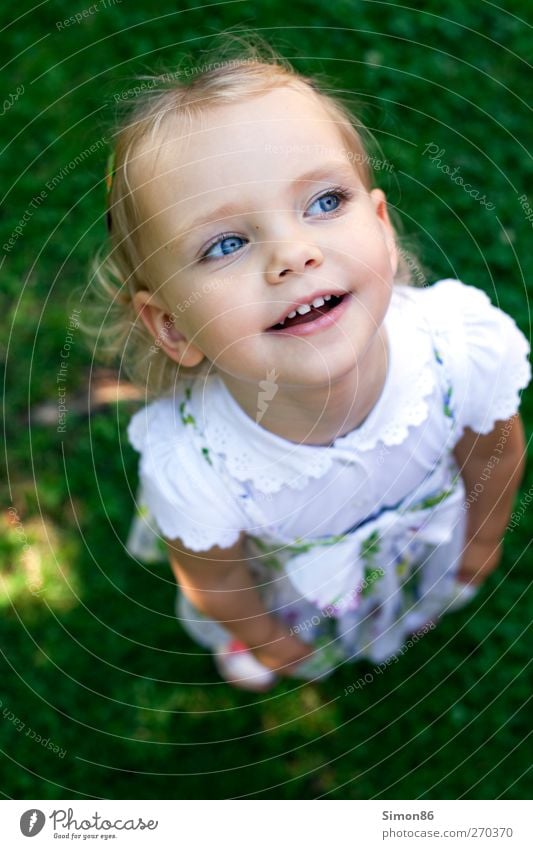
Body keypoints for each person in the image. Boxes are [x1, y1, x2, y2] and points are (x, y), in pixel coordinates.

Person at [92, 37, 530, 691]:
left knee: (410, 598)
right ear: (173, 325)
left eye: (324, 202)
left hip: (415, 545)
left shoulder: (459, 352)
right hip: (288, 585)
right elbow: (216, 578)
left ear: (381, 227)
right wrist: (270, 638)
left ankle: (397, 605)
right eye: (227, 243)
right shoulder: (198, 465)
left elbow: (494, 455)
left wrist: (478, 542)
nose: (294, 253)